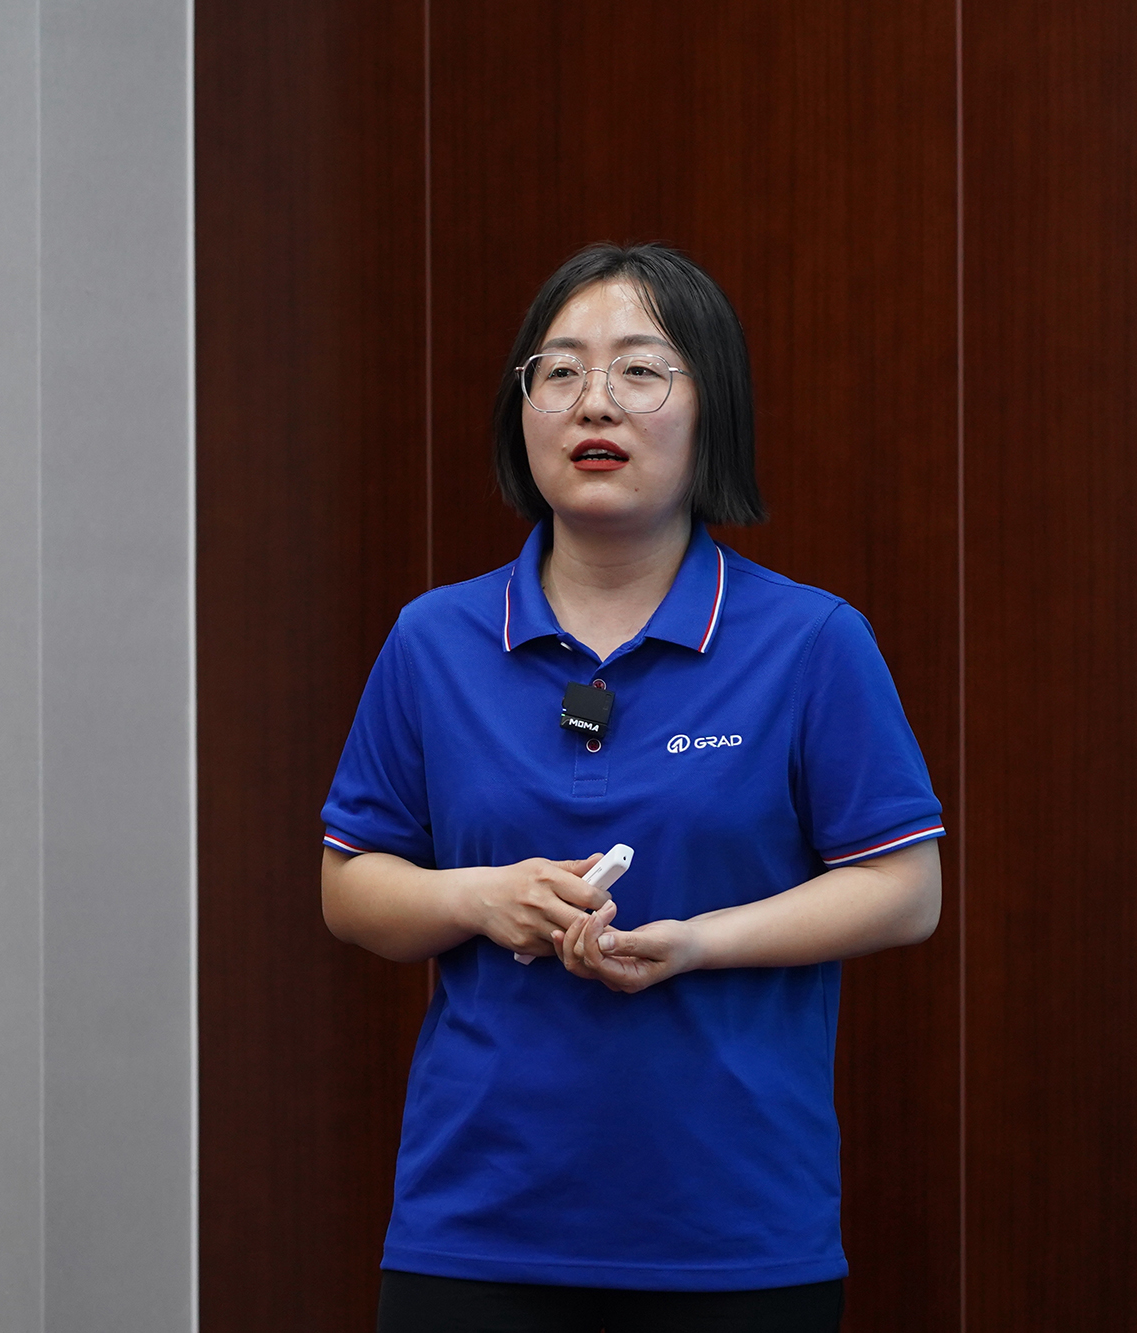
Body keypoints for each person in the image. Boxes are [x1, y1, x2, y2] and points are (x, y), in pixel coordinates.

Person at [321, 242, 945, 1333]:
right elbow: (351, 887)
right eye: (558, 371)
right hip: (476, 1229)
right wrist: (482, 897)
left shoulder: (810, 640)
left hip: (734, 1235)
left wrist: (697, 943)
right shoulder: (432, 639)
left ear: (713, 410)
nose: (592, 401)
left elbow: (905, 889)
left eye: (640, 370)